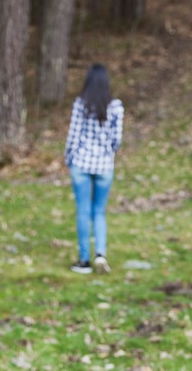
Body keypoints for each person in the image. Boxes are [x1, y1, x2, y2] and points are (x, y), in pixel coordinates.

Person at [65, 63, 124, 274]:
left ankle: (84, 261)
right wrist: (107, 151)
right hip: (104, 165)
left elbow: (73, 136)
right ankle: (100, 254)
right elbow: (117, 140)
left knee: (83, 211)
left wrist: (69, 158)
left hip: (81, 163)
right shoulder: (116, 107)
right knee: (99, 212)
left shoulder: (81, 104)